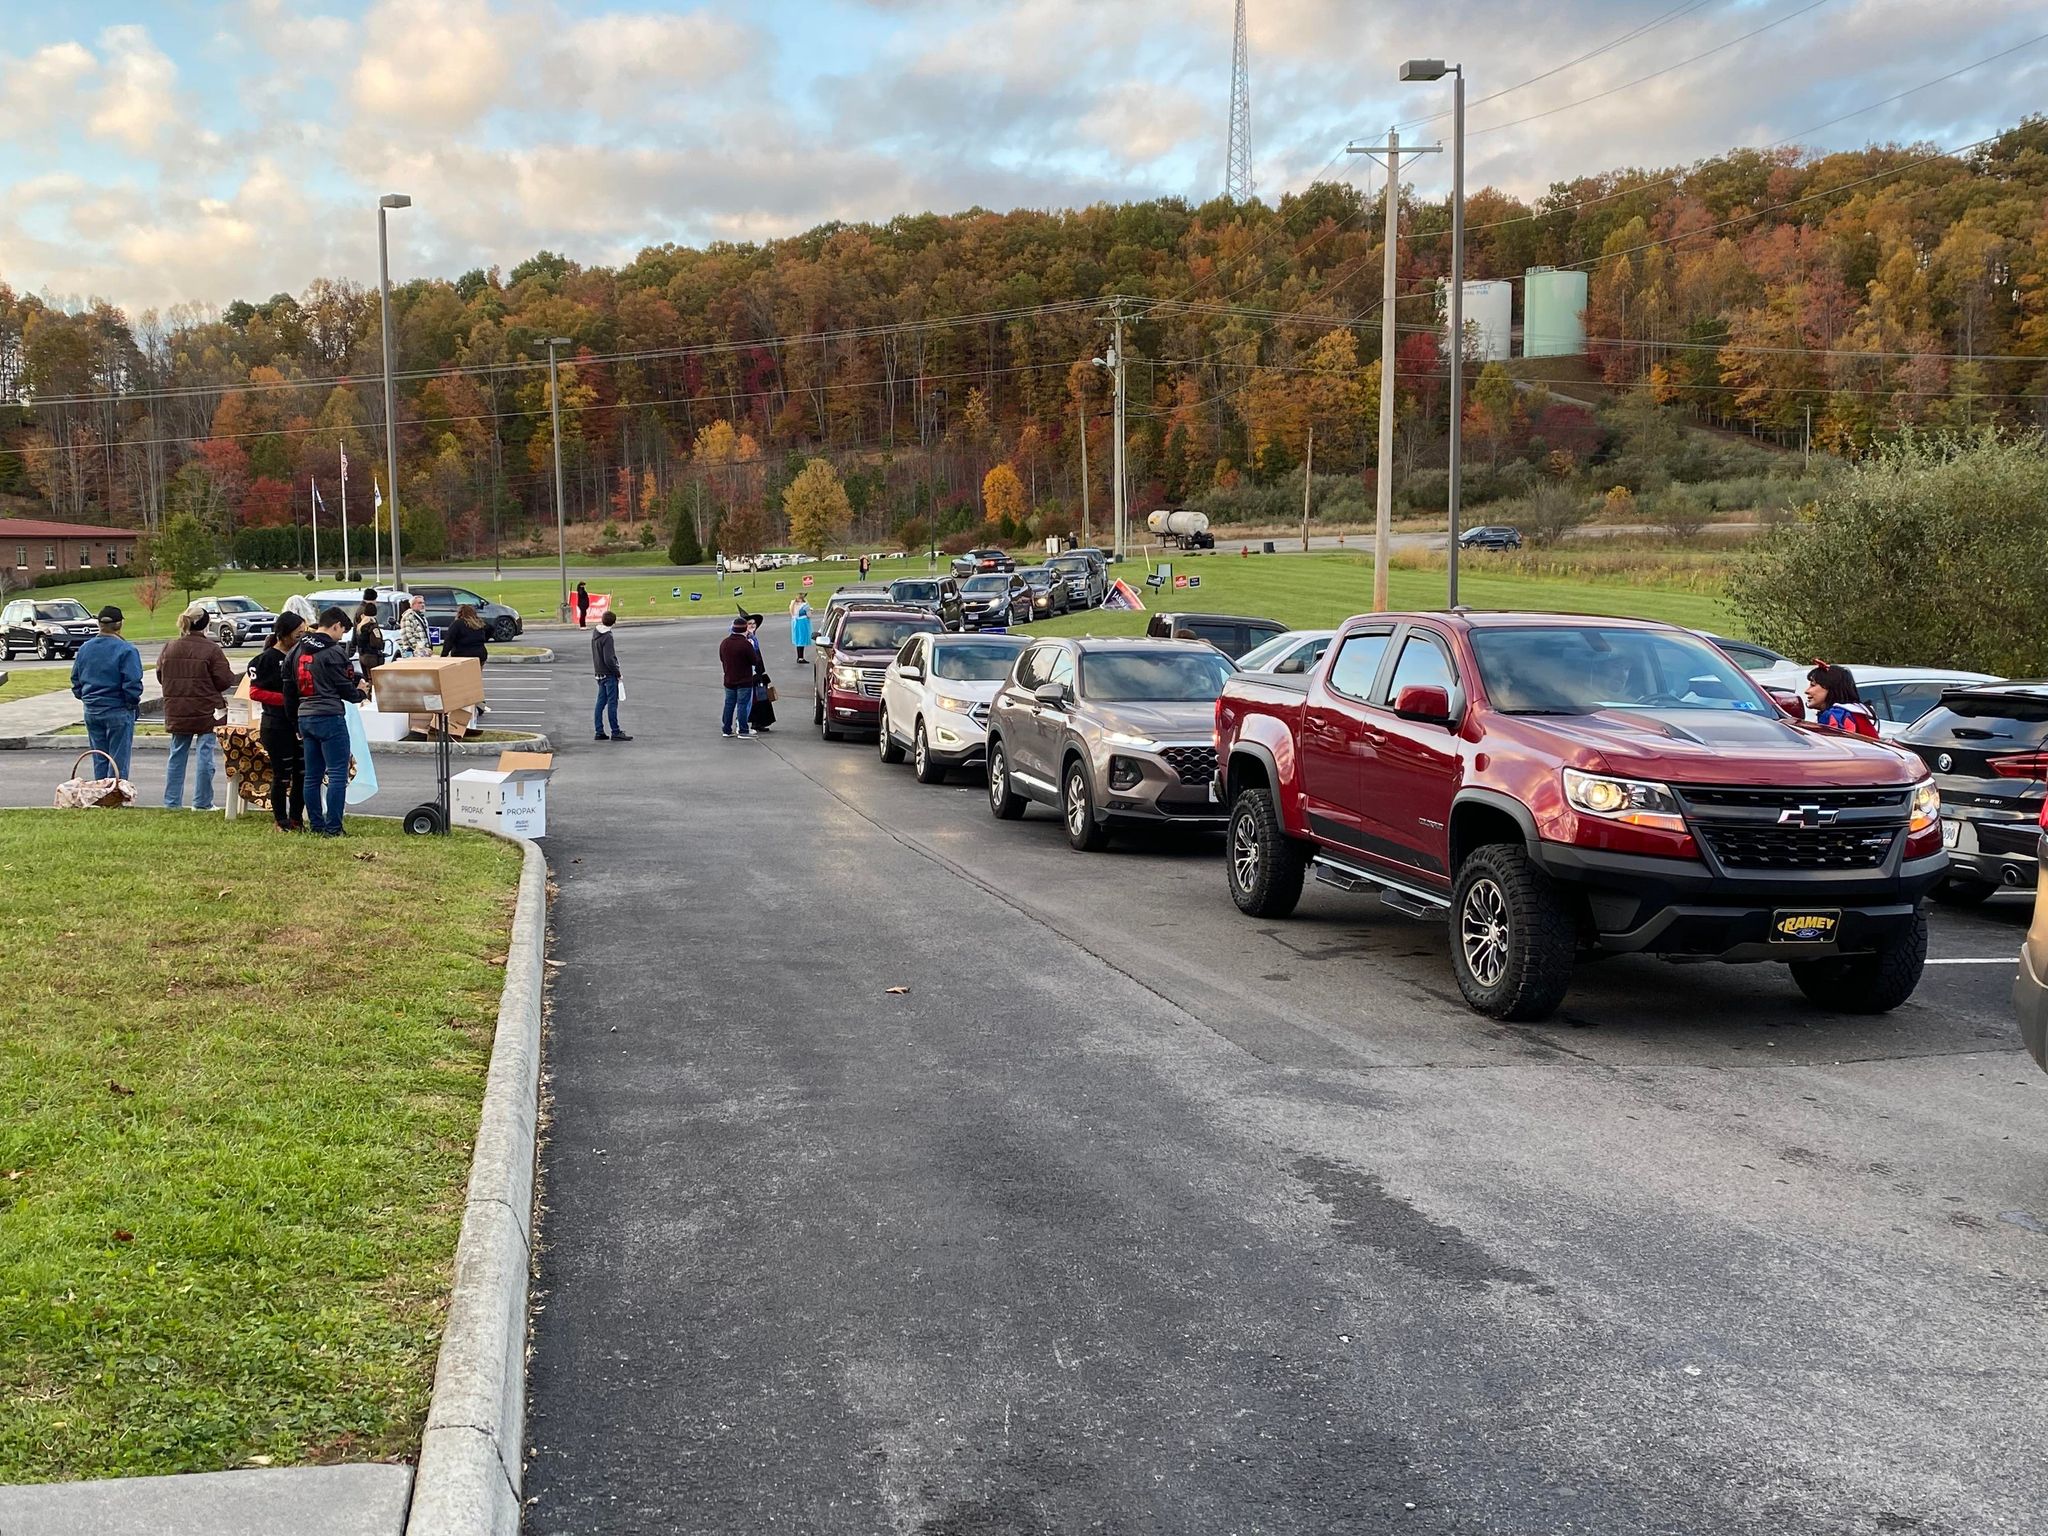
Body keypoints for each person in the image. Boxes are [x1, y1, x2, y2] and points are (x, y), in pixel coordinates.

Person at [296, 606, 368, 837]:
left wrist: (293, 718)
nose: (341, 637)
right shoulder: (334, 652)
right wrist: (361, 692)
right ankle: (334, 827)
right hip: (329, 715)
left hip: (304, 714)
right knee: (337, 773)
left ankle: (316, 825)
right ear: (336, 625)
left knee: (312, 775)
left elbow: (288, 686)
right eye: (341, 632)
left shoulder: (298, 649)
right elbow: (345, 688)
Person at [158, 604, 237, 811]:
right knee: (205, 754)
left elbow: (161, 675)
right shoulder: (211, 649)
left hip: (177, 708)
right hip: (207, 709)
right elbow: (224, 680)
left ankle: (172, 802)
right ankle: (202, 802)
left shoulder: (170, 647)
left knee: (177, 753)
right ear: (205, 624)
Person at [69, 605, 143, 780]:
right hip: (118, 709)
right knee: (118, 758)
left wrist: (86, 698)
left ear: (99, 624)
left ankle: (100, 792)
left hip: (92, 709)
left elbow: (75, 680)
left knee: (99, 756)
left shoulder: (85, 649)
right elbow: (132, 683)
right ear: (119, 625)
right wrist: (131, 703)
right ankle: (114, 795)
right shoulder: (127, 650)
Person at [249, 612, 307, 830]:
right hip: (276, 724)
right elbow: (255, 692)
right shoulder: (265, 660)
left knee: (302, 774)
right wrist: (287, 700)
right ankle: (281, 820)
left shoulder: (303, 656)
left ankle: (296, 819)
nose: (301, 638)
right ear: (283, 634)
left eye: (304, 633)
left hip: (299, 722)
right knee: (282, 775)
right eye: (297, 634)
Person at [441, 601, 491, 717]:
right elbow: (490, 629)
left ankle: (464, 704)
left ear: (460, 613)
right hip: (480, 655)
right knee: (475, 680)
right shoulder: (479, 623)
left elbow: (449, 640)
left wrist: (443, 656)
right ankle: (479, 703)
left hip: (463, 656)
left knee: (461, 683)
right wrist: (482, 639)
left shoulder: (458, 624)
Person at [1805, 662, 1879, 738]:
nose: (1807, 691)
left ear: (1831, 688)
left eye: (1813, 685)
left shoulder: (1838, 716)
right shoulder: (1851, 713)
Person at [719, 615, 761, 739]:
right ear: (744, 629)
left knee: (729, 704)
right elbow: (754, 660)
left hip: (729, 678)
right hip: (744, 679)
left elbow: (722, 658)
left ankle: (726, 729)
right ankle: (743, 730)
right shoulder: (746, 644)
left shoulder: (724, 643)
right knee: (742, 705)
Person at [591, 609, 631, 742]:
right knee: (612, 703)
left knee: (600, 703)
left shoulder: (596, 633)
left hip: (599, 672)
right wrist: (617, 673)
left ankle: (599, 730)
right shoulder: (608, 636)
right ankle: (615, 731)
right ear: (613, 622)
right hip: (609, 674)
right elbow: (609, 659)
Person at [746, 614, 777, 733]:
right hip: (753, 672)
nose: (752, 625)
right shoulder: (747, 639)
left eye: (754, 623)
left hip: (758, 671)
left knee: (761, 697)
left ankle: (758, 722)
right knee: (755, 698)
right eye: (750, 623)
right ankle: (754, 722)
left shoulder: (753, 637)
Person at [353, 599, 387, 677]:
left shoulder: (359, 626)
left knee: (367, 680)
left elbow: (354, 641)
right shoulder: (372, 625)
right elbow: (376, 642)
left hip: (362, 656)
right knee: (375, 680)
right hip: (372, 657)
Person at [397, 593, 433, 659]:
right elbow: (407, 636)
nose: (422, 605)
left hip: (423, 651)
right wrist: (419, 649)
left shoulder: (421, 616)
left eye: (423, 603)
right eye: (419, 603)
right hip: (413, 652)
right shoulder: (408, 617)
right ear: (412, 605)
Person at [791, 595, 813, 663]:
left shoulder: (793, 605)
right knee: (802, 640)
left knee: (798, 640)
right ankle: (801, 657)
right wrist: (811, 611)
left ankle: (799, 657)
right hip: (803, 623)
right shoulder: (805, 605)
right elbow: (809, 615)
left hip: (796, 623)